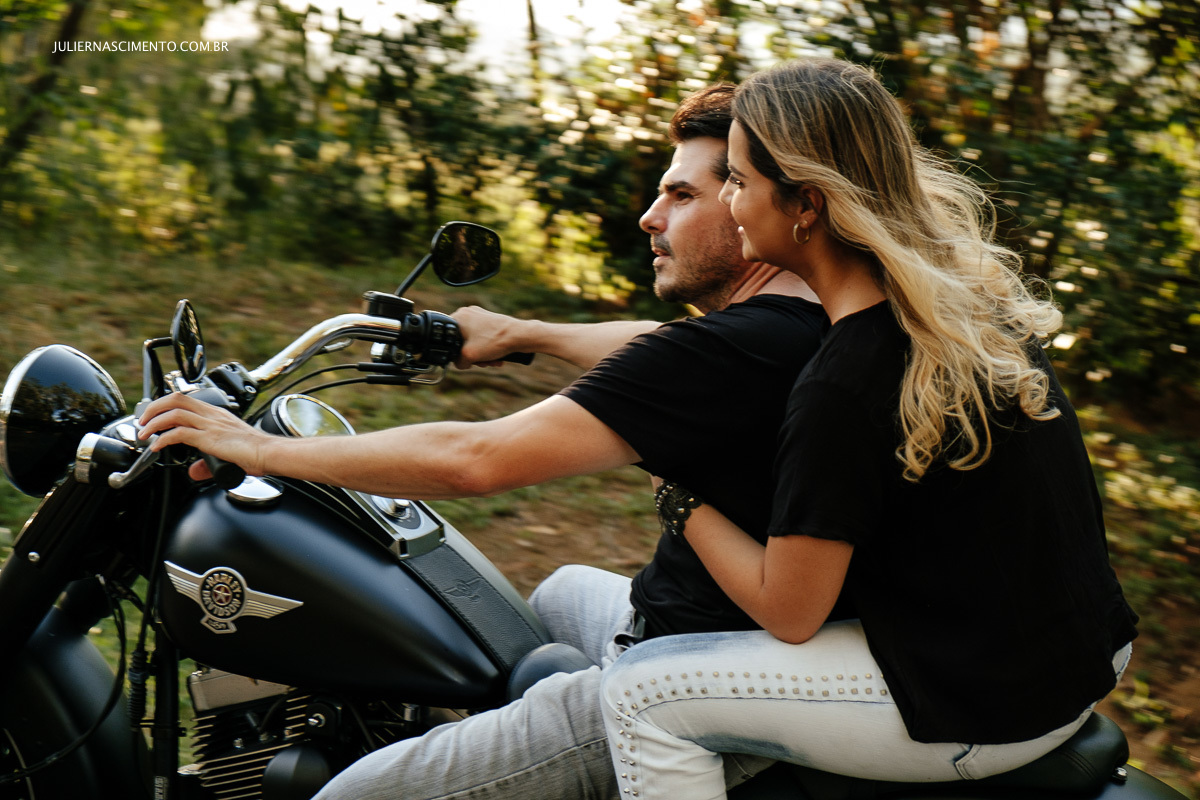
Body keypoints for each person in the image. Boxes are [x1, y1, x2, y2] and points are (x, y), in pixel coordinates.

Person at [139, 84, 826, 799]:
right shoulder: (801, 321)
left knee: (350, 797)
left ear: (755, 204)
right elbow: (658, 344)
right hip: (706, 631)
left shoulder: (732, 350)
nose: (650, 217)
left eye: (683, 196)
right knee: (558, 593)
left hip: (691, 682)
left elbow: (476, 460)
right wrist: (525, 334)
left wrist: (259, 449)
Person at [596, 58, 1140, 800]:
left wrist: (675, 489)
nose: (730, 201)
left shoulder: (845, 375)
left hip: (983, 701)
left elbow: (790, 612)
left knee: (641, 693)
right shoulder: (963, 308)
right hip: (1085, 654)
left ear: (807, 206)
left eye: (740, 182)